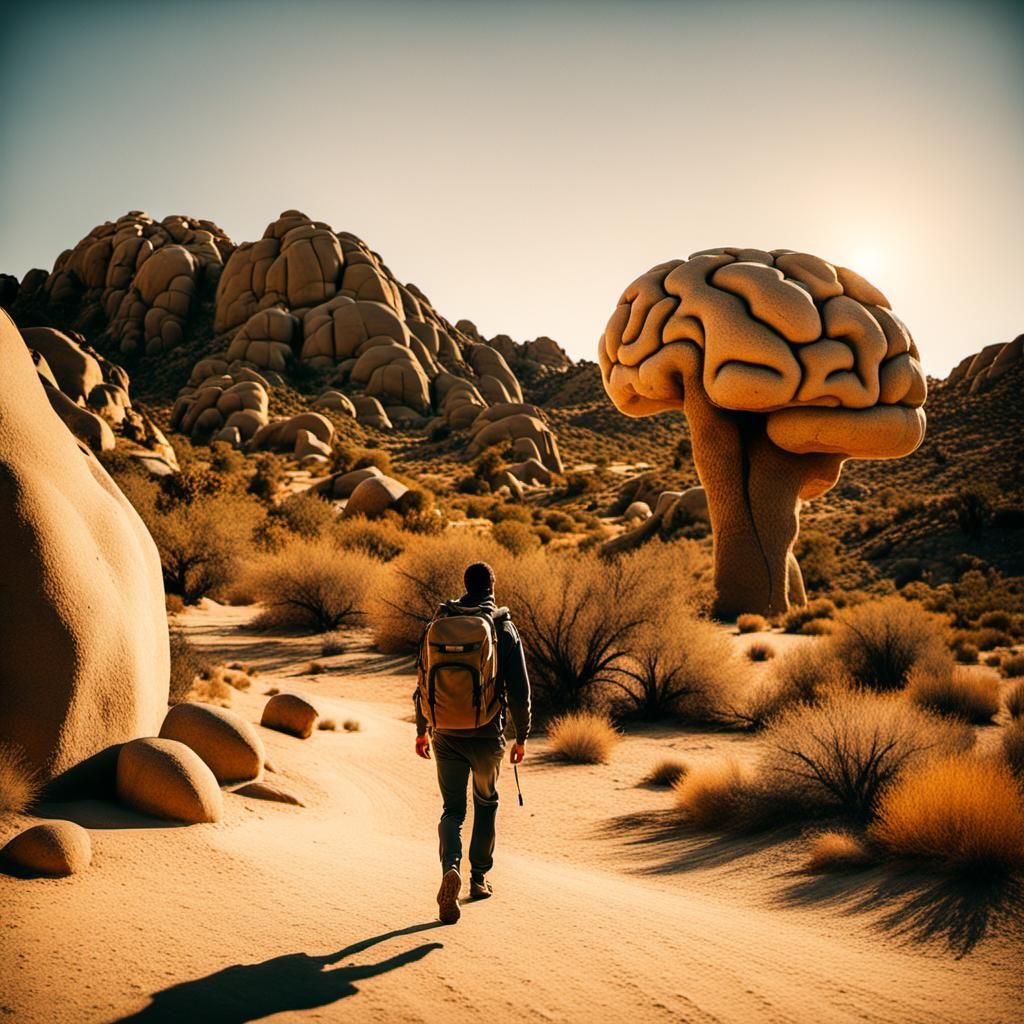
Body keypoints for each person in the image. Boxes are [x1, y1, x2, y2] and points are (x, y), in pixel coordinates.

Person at [414, 561, 531, 925]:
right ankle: (479, 878)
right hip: (486, 735)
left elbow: (421, 681)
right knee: (486, 801)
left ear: (464, 585)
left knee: (452, 811)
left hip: (445, 732)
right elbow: (520, 691)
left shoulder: (439, 623)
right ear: (492, 586)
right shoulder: (502, 628)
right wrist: (522, 736)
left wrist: (422, 728)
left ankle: (451, 868)